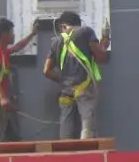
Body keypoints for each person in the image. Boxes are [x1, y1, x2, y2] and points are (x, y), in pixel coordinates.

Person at [43, 11, 110, 140]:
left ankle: (65, 155)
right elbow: (101, 57)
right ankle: (89, 154)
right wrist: (104, 46)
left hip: (65, 91)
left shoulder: (56, 42)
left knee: (66, 125)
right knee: (87, 123)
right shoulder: (86, 32)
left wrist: (63, 80)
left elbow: (46, 70)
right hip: (84, 88)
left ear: (63, 26)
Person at [0, 17, 39, 143]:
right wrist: (3, 98)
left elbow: (18, 47)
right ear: (4, 34)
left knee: (4, 131)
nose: (14, 35)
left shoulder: (2, 51)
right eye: (12, 32)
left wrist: (32, 34)